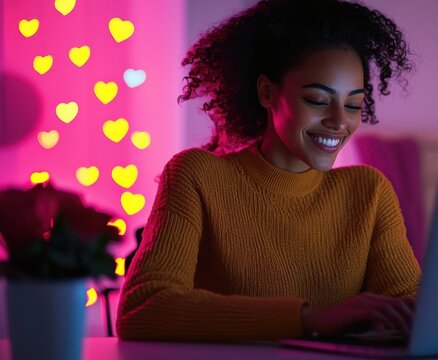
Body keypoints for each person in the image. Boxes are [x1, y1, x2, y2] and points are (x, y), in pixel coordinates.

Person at [116, 0, 421, 342]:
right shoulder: (196, 176)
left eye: (353, 105)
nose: (339, 122)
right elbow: (143, 309)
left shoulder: (369, 191)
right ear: (266, 92)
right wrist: (309, 320)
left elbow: (412, 309)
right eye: (318, 101)